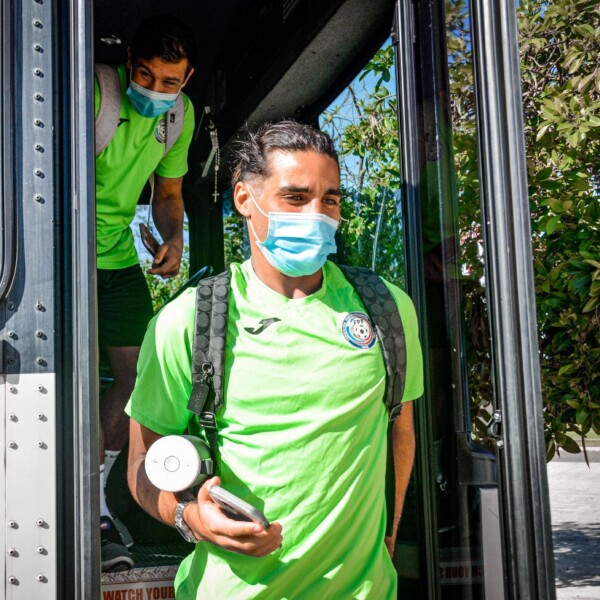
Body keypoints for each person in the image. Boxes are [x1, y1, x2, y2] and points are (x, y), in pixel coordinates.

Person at [126, 120, 423, 598]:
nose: (317, 215)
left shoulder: (387, 308)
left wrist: (389, 535)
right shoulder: (188, 320)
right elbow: (142, 463)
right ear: (245, 199)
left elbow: (399, 429)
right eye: (295, 197)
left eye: (330, 200)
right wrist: (190, 517)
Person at [95, 14, 196, 571]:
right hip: (60, 257)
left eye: (170, 81)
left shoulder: (179, 117)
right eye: (146, 75)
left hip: (116, 259)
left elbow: (169, 193)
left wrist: (174, 237)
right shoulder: (94, 93)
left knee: (136, 376)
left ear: (187, 79)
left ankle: (95, 504)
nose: (156, 90)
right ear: (129, 62)